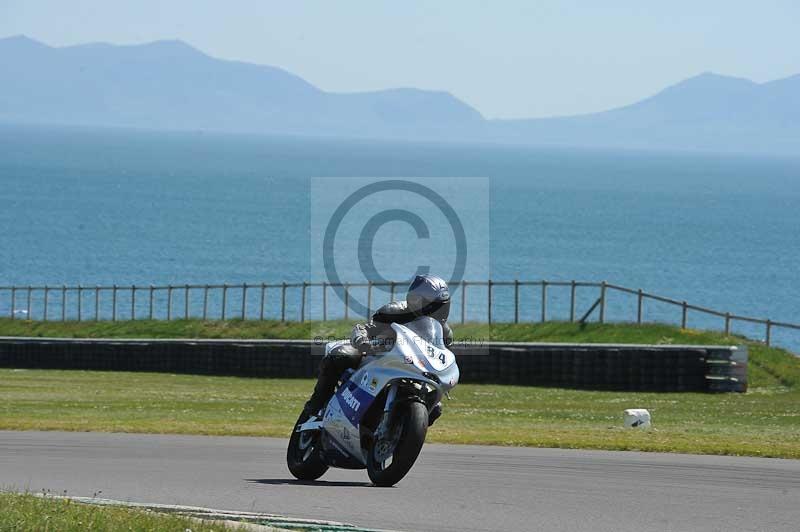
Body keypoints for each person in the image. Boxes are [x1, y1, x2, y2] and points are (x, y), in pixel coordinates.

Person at [302, 274, 453, 425]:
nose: (441, 310)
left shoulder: (444, 334)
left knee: (435, 407)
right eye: (436, 306)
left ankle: (398, 436)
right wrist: (363, 342)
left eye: (443, 305)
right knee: (340, 356)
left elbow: (441, 358)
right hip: (376, 357)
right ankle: (314, 408)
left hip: (413, 369)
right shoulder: (395, 311)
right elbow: (365, 329)